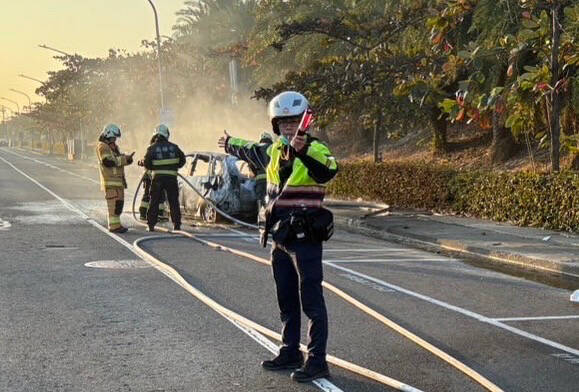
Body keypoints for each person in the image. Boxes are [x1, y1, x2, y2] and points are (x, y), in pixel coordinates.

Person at [218, 91, 338, 383]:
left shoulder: (317, 149)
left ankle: (317, 360)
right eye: (283, 123)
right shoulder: (273, 151)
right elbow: (251, 149)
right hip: (279, 237)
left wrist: (304, 151)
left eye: (294, 121)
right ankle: (290, 351)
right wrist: (230, 143)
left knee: (311, 299)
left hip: (305, 236)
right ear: (275, 125)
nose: (288, 127)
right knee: (286, 298)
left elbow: (328, 171)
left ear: (304, 121)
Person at [143, 124, 186, 232]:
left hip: (157, 178)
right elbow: (183, 160)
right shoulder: (174, 147)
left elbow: (147, 164)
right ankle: (176, 225)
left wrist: (155, 168)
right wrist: (173, 168)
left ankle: (151, 225)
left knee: (154, 201)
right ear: (166, 135)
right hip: (171, 178)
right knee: (173, 202)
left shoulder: (151, 148)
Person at [95, 123, 134, 233]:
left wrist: (127, 158)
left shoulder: (112, 147)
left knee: (118, 205)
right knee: (113, 205)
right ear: (108, 135)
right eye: (113, 137)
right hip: (110, 181)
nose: (115, 140)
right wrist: (124, 159)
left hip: (118, 182)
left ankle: (117, 225)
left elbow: (116, 159)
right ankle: (113, 226)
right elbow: (108, 161)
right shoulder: (102, 146)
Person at [138, 134, 169, 222]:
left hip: (155, 176)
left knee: (151, 195)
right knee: (155, 195)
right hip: (152, 176)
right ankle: (152, 214)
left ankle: (147, 214)